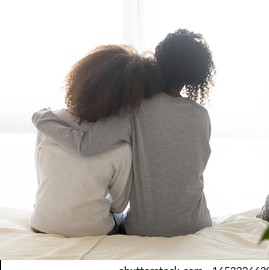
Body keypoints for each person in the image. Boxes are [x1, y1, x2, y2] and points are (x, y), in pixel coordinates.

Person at [32, 29, 216, 237]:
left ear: (159, 60)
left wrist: (41, 119)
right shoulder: (202, 116)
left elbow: (85, 146)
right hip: (198, 224)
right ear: (197, 75)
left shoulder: (135, 109)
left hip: (145, 229)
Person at [30, 44, 163, 237]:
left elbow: (41, 178)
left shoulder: (48, 124)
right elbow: (119, 205)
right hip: (93, 230)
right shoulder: (122, 147)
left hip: (41, 223)